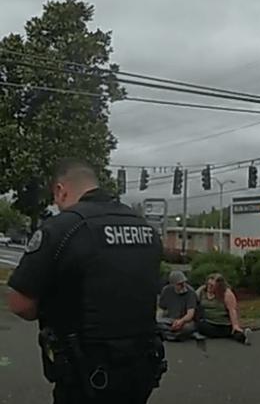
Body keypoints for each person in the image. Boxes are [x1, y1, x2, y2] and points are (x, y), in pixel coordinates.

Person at [6, 158, 166, 404]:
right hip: (142, 367)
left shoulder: (63, 228)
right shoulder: (145, 228)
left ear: (61, 190)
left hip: (85, 374)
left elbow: (20, 303)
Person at [195, 273, 252, 344]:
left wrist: (235, 325)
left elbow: (232, 310)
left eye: (212, 286)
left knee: (204, 328)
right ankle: (238, 335)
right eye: (208, 284)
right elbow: (193, 299)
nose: (209, 287)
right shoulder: (202, 291)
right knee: (200, 325)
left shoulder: (227, 294)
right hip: (208, 322)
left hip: (222, 324)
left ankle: (239, 335)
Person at [157, 270, 198, 341]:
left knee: (188, 328)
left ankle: (168, 335)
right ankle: (172, 335)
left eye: (184, 283)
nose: (183, 286)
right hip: (169, 320)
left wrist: (181, 321)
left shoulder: (190, 292)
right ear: (172, 284)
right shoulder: (166, 290)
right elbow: (161, 309)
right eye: (180, 284)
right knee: (156, 325)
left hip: (185, 321)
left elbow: (190, 314)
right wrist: (157, 319)